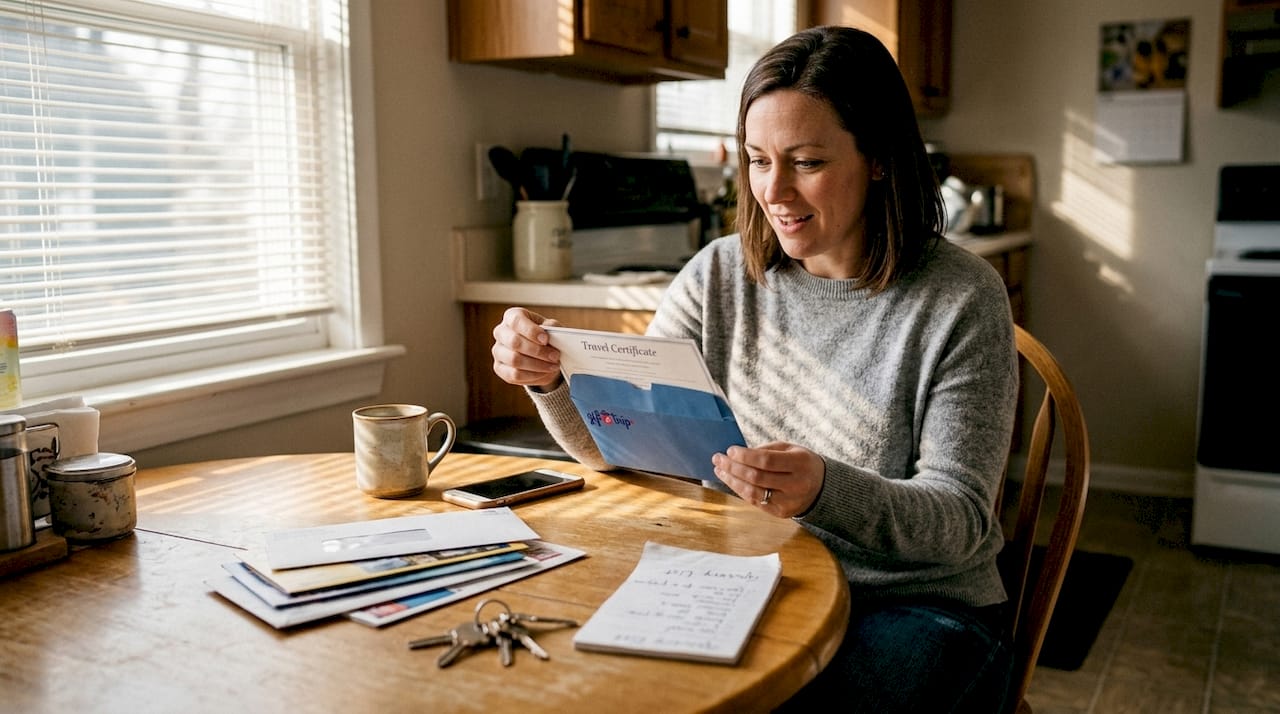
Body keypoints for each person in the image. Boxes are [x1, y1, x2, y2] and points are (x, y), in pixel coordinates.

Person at [491, 25, 1017, 713]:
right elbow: (618, 448)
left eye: (806, 161)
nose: (776, 190)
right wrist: (551, 382)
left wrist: (825, 489)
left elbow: (961, 521)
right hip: (757, 579)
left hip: (914, 607)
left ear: (880, 159)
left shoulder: (961, 298)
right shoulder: (717, 276)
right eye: (758, 160)